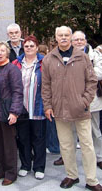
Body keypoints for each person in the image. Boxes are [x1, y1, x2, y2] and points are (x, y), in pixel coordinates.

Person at [42, 26, 102, 190]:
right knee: (66, 145)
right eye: (60, 35)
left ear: (70, 37)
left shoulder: (82, 57)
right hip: (59, 109)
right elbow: (45, 85)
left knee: (87, 145)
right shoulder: (49, 59)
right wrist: (47, 105)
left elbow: (91, 81)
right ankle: (72, 175)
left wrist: (85, 101)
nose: (63, 38)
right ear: (56, 37)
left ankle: (91, 180)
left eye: (66, 35)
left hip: (80, 109)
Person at [0, 41, 24, 186]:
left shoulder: (12, 69)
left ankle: (11, 173)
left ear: (7, 52)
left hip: (7, 112)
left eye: (2, 50)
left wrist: (14, 112)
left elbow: (17, 92)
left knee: (9, 144)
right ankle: (1, 170)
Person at [13, 35, 46, 180]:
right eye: (26, 46)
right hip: (22, 108)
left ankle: (39, 167)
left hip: (38, 106)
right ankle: (25, 165)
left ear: (37, 47)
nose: (29, 48)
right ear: (23, 48)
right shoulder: (16, 63)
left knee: (38, 138)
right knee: (23, 138)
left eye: (32, 46)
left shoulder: (44, 63)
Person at [72, 32, 102, 170]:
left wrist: (80, 73)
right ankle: (68, 157)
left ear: (85, 40)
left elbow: (100, 72)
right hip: (72, 99)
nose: (78, 42)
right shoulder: (67, 54)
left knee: (94, 130)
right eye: (76, 39)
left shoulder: (95, 55)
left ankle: (99, 157)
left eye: (81, 39)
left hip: (92, 99)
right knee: (71, 130)